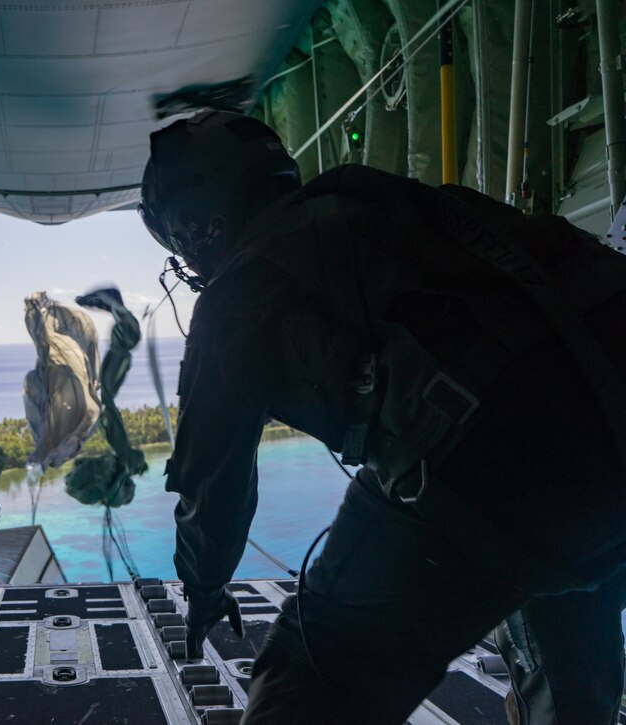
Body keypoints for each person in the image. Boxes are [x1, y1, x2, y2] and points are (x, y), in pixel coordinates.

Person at [139, 110, 626, 724]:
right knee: (564, 624)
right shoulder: (386, 199)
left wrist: (204, 589)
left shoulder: (241, 286)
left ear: (196, 225)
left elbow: (214, 473)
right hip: (604, 430)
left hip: (503, 458)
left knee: (309, 670)